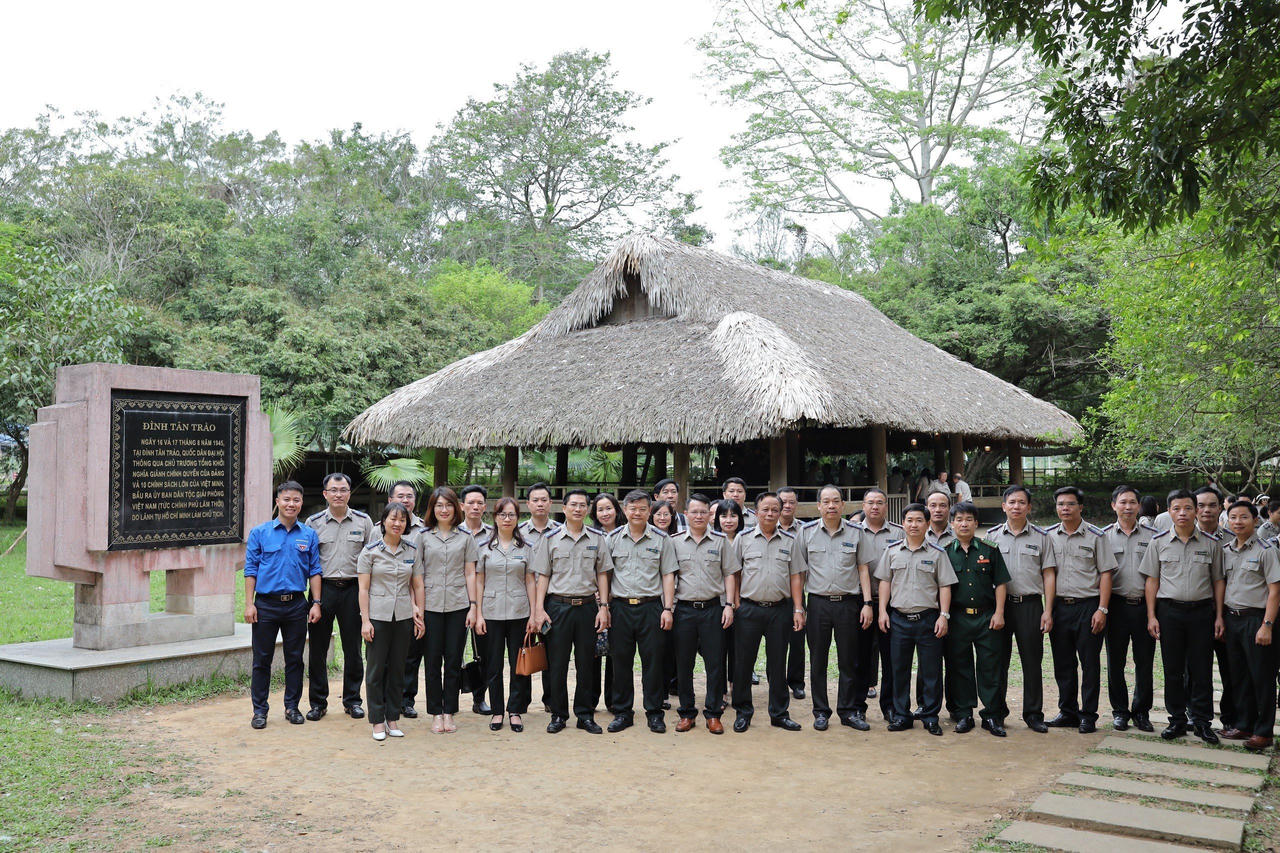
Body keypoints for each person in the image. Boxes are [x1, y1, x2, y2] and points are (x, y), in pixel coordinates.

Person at [1140, 488, 1225, 744]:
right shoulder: (1158, 542)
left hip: (1202, 612)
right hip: (1169, 612)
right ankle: (1176, 720)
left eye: (1188, 508)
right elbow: (1151, 581)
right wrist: (1152, 616)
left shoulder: (1211, 544)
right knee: (1173, 669)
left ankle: (1201, 721)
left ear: (1196, 511)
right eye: (1176, 509)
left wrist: (1219, 616)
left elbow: (1218, 581)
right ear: (1168, 512)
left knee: (1201, 669)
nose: (1183, 513)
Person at [530, 489, 614, 734]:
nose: (578, 509)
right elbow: (542, 576)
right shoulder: (550, 539)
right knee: (557, 664)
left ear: (587, 510)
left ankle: (584, 714)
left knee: (587, 663)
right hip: (558, 607)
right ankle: (558, 714)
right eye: (573, 505)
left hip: (588, 607)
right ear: (564, 508)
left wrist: (604, 607)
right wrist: (538, 610)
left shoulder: (597, 538)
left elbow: (602, 574)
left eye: (582, 505)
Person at [243, 481, 322, 729]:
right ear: (277, 501)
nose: (291, 504)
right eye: (286, 499)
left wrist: (316, 603)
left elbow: (315, 571)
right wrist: (249, 604)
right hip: (265, 605)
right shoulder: (260, 533)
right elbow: (250, 570)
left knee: (295, 659)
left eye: (296, 500)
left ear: (301, 503)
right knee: (262, 660)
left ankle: (292, 707)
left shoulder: (308, 535)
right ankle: (260, 711)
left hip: (296, 605)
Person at [876, 503, 957, 736]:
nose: (914, 525)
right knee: (898, 669)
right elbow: (884, 582)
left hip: (928, 620)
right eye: (909, 520)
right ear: (903, 524)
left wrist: (944, 615)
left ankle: (931, 716)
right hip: (899, 620)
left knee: (931, 671)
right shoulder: (892, 551)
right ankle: (902, 715)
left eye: (919, 520)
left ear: (928, 523)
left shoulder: (937, 554)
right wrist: (882, 611)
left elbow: (945, 586)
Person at [730, 492, 807, 732]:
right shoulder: (742, 539)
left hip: (780, 610)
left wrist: (797, 608)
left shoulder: (789, 540)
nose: (770, 514)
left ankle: (779, 713)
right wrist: (735, 603)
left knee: (777, 663)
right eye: (765, 509)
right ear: (756, 511)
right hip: (749, 608)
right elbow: (734, 573)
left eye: (775, 509)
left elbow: (796, 576)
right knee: (743, 662)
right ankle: (743, 712)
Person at [984, 485, 1058, 733]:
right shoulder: (991, 537)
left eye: (1021, 502)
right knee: (997, 662)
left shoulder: (1041, 537)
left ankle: (1033, 714)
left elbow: (1048, 574)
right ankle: (996, 713)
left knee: (1032, 661)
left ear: (1029, 507)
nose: (1016, 507)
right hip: (1000, 608)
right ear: (1004, 506)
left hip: (1030, 606)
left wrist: (1048, 610)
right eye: (1011, 502)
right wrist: (994, 610)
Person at [799, 485, 873, 731]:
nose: (831, 506)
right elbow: (799, 573)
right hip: (818, 604)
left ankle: (848, 711)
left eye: (836, 501)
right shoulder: (806, 533)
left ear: (843, 505)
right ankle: (821, 711)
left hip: (848, 604)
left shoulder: (856, 532)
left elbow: (863, 568)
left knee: (848, 660)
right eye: (826, 501)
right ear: (818, 506)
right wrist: (799, 608)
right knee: (818, 660)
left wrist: (867, 603)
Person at [604, 490, 678, 733]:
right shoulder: (612, 538)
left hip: (651, 607)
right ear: (624, 511)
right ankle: (623, 712)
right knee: (621, 662)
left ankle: (654, 712)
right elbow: (605, 574)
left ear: (650, 511)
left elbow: (668, 574)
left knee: (653, 662)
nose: (637, 513)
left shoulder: (661, 539)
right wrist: (604, 606)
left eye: (642, 509)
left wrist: (667, 608)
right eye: (632, 508)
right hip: (620, 608)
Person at [1044, 486, 1116, 733]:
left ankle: (1088, 715)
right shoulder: (1048, 536)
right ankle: (1067, 712)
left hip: (1088, 607)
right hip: (1059, 608)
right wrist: (1048, 610)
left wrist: (1102, 609)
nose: (1065, 508)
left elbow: (1106, 573)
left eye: (1070, 504)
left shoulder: (1096, 536)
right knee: (1063, 664)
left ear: (1080, 507)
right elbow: (1047, 574)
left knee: (1089, 664)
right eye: (1061, 504)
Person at [304, 472, 374, 722]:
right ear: (325, 494)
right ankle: (318, 703)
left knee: (353, 648)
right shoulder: (313, 524)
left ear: (349, 493)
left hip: (354, 590)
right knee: (318, 649)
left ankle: (352, 700)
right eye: (333, 490)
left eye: (343, 490)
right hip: (323, 589)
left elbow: (372, 559)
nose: (338, 494)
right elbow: (310, 562)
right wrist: (315, 600)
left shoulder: (364, 522)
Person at [671, 493, 738, 733]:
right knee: (684, 663)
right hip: (684, 611)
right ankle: (687, 713)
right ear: (686, 514)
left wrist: (729, 605)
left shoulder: (720, 541)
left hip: (712, 609)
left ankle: (713, 713)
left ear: (710, 515)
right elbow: (669, 576)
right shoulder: (675, 541)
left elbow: (730, 573)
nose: (699, 516)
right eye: (694, 511)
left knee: (715, 663)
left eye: (703, 512)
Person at [414, 486, 479, 734]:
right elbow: (417, 575)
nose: (444, 510)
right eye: (439, 505)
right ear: (432, 508)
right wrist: (418, 610)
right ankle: (435, 713)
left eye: (448, 505)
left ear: (456, 508)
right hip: (429, 606)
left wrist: (473, 607)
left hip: (458, 605)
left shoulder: (465, 537)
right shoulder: (422, 537)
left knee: (453, 661)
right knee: (431, 662)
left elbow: (470, 573)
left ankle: (449, 712)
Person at [358, 502, 424, 741]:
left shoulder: (412, 551)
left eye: (403, 520)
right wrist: (365, 621)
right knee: (376, 670)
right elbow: (363, 589)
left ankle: (392, 717)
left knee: (398, 668)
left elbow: (417, 585)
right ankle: (377, 719)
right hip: (378, 617)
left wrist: (420, 613)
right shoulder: (371, 551)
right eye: (393, 519)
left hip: (404, 617)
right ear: (383, 521)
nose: (398, 524)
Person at [943, 500, 1010, 736]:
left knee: (989, 667)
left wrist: (999, 613)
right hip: (958, 619)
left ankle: (992, 716)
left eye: (968, 519)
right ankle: (964, 714)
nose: (964, 524)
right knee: (960, 667)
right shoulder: (944, 553)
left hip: (986, 617)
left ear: (976, 523)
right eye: (959, 519)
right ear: (952, 524)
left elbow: (1000, 582)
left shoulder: (989, 548)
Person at [1220, 498, 1280, 750]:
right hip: (1232, 620)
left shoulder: (1266, 550)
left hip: (1257, 620)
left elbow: (1275, 590)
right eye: (1233, 517)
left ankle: (1264, 731)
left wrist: (1267, 625)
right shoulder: (1227, 550)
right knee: (1240, 675)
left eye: (1244, 517)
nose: (1238, 522)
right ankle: (1244, 723)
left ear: (1256, 520)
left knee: (1262, 677)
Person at [474, 497, 535, 733]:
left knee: (518, 664)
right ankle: (498, 710)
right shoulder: (484, 548)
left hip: (520, 613)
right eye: (502, 514)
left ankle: (515, 710)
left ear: (518, 518)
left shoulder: (526, 547)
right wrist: (478, 614)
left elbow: (530, 580)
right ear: (495, 517)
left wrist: (533, 613)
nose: (507, 519)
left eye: (511, 515)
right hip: (491, 612)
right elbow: (479, 582)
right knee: (494, 665)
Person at [1104, 485, 1158, 733]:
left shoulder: (1153, 536)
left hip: (1144, 607)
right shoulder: (1102, 536)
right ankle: (1120, 712)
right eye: (1123, 502)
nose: (1128, 507)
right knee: (1115, 662)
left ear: (1139, 506)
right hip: (1114, 607)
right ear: (1113, 505)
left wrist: (1152, 614)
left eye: (1132, 502)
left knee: (1144, 662)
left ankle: (1141, 712)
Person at [854, 489, 902, 723]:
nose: (875, 507)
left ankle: (890, 706)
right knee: (859, 657)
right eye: (870, 503)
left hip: (892, 604)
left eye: (880, 503)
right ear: (863, 506)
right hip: (859, 604)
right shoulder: (852, 531)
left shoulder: (899, 532)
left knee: (891, 657)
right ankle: (858, 705)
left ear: (886, 506)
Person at [1194, 486, 1237, 734]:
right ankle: (1196, 715)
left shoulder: (1233, 538)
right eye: (1201, 505)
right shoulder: (1183, 535)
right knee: (1195, 668)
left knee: (1230, 667)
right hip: (1195, 612)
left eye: (1212, 505)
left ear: (1221, 508)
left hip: (1227, 614)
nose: (1206, 510)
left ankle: (1230, 716)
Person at [459, 484, 494, 716]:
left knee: (483, 650)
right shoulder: (452, 531)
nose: (475, 506)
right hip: (454, 600)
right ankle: (449, 696)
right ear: (461, 506)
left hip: (483, 601)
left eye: (480, 502)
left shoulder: (494, 533)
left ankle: (479, 697)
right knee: (452, 651)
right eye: (470, 502)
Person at [589, 492, 622, 715]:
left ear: (616, 510)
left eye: (608, 508)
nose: (605, 513)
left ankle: (613, 700)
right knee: (592, 653)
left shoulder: (625, 534)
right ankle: (590, 700)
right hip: (594, 602)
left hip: (618, 603)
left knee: (615, 653)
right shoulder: (590, 535)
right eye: (600, 509)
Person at [777, 486, 808, 700]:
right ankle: (776, 682)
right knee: (776, 642)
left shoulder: (805, 530)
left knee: (797, 640)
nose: (787, 506)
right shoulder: (766, 526)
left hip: (797, 594)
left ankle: (796, 682)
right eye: (783, 502)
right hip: (773, 594)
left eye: (791, 502)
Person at [714, 498, 747, 697]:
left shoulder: (745, 539)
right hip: (717, 602)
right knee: (719, 648)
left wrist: (737, 602)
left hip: (741, 603)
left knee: (738, 647)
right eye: (724, 516)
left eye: (733, 515)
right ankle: (720, 689)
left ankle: (735, 684)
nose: (728, 520)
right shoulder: (713, 539)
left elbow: (738, 574)